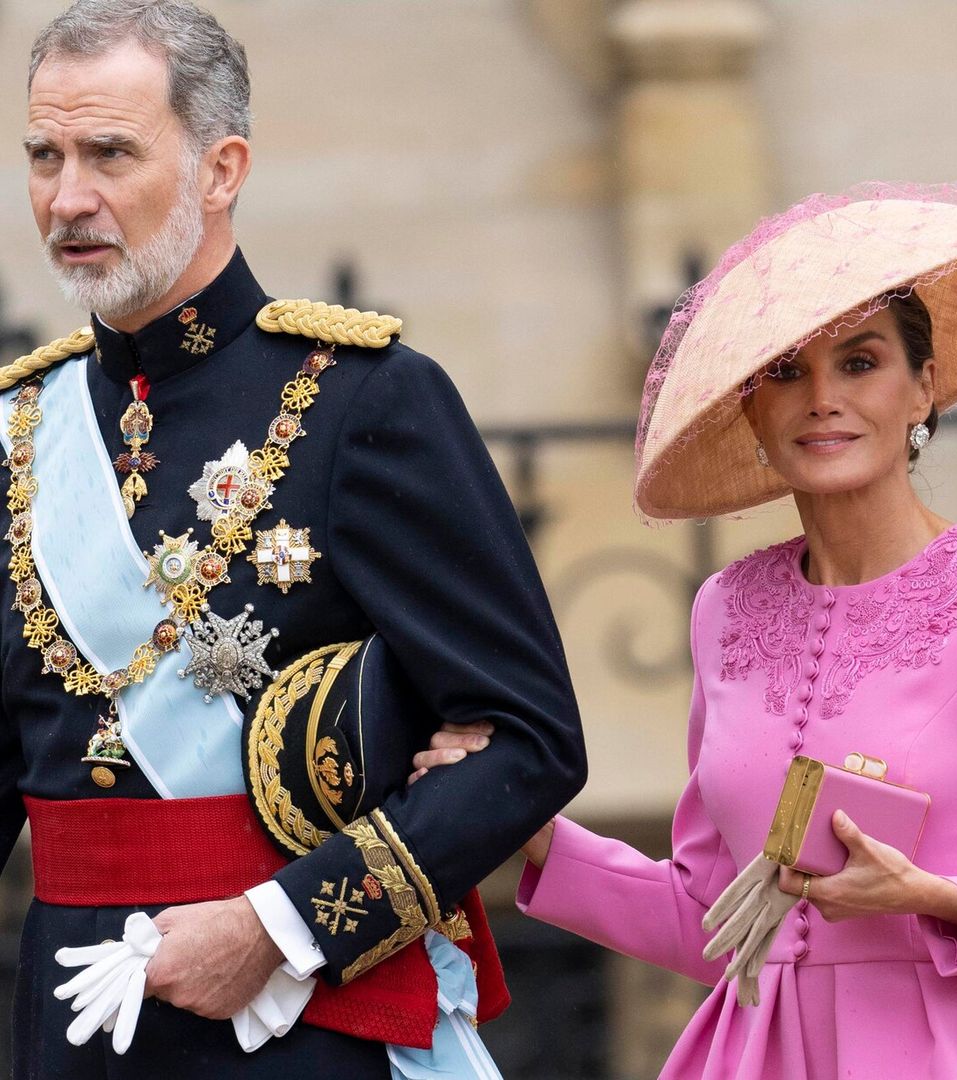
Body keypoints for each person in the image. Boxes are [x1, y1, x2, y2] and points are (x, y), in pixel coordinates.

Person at [0, 1, 586, 1077]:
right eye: (44, 155)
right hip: (69, 1024)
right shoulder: (22, 430)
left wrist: (281, 926)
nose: (67, 198)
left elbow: (527, 738)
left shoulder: (366, 401)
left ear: (220, 170)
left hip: (299, 1022)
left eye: (110, 153)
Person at [422, 182, 957, 1077]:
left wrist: (934, 898)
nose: (821, 399)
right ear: (752, 412)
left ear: (924, 387)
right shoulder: (723, 608)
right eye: (784, 371)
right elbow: (707, 920)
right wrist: (531, 830)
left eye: (860, 362)